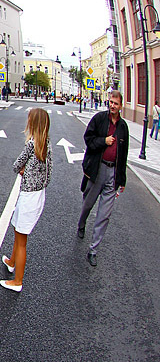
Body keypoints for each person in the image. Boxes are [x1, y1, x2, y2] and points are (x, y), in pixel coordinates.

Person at [1, 108, 53, 292]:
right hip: (37, 194)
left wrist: (24, 171)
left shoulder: (32, 143)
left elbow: (17, 164)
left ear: (33, 123)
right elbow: (48, 173)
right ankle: (12, 261)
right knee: (18, 229)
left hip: (28, 195)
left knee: (21, 238)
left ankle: (17, 281)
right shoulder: (46, 143)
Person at [77, 90, 129, 267]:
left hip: (112, 175)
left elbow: (124, 155)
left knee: (104, 215)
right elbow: (88, 139)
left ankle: (93, 250)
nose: (112, 105)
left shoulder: (123, 127)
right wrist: (103, 141)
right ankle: (81, 223)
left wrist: (121, 180)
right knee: (88, 205)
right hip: (97, 170)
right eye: (111, 102)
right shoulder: (99, 119)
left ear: (120, 105)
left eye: (116, 103)